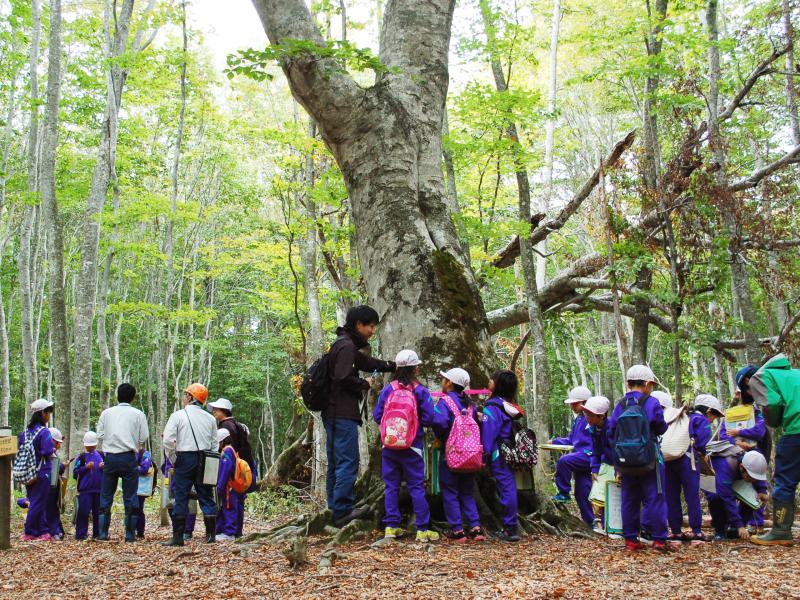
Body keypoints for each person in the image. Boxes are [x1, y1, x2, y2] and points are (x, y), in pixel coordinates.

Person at [323, 305, 396, 527]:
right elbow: (343, 377)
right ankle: (343, 510)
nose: (373, 330)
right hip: (342, 412)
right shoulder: (346, 347)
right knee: (347, 461)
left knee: (337, 462)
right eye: (370, 326)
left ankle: (334, 509)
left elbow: (367, 363)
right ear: (358, 325)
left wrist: (391, 365)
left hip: (334, 412)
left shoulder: (345, 345)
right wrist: (364, 383)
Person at [373, 350, 443, 542]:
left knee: (391, 487)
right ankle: (422, 529)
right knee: (416, 486)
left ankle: (391, 526)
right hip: (413, 446)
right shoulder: (420, 391)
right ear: (416, 368)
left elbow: (377, 416)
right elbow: (429, 418)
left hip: (390, 446)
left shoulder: (388, 390)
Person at [607, 365, 671, 553]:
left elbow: (611, 433)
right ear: (648, 384)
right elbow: (661, 427)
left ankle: (631, 540)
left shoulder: (620, 405)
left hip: (625, 463)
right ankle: (659, 540)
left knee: (629, 499)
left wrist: (617, 462)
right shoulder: (652, 403)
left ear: (628, 383)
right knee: (656, 497)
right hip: (649, 459)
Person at [162, 383, 218, 546]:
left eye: (186, 394)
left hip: (184, 458)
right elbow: (214, 444)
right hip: (205, 458)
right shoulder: (210, 418)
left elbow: (167, 440)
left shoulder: (178, 416)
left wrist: (173, 457)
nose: (183, 397)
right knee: (206, 495)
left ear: (191, 398)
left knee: (181, 496)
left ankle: (178, 537)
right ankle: (210, 536)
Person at [752, 354, 800, 546]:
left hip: (796, 431)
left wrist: (772, 420)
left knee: (785, 481)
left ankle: (781, 531)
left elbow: (772, 403)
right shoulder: (796, 374)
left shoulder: (763, 376)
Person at [435, 367, 484, 542]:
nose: (442, 382)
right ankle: (475, 527)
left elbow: (439, 423)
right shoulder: (471, 405)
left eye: (444, 379)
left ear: (449, 383)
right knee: (467, 492)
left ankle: (457, 530)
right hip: (470, 457)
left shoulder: (444, 402)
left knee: (450, 491)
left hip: (451, 454)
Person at [96, 383, 149, 542]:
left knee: (106, 495)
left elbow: (99, 434)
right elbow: (143, 437)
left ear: (117, 395)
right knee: (130, 495)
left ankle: (103, 533)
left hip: (110, 458)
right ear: (133, 398)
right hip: (128, 458)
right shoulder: (138, 414)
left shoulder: (107, 413)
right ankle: (130, 534)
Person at [663, 394, 714, 546]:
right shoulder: (700, 420)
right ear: (709, 411)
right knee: (692, 495)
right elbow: (704, 444)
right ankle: (696, 531)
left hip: (668, 459)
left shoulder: (681, 416)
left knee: (672, 495)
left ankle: (676, 531)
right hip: (688, 460)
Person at [722, 365, 768, 532]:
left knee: (757, 485)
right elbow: (723, 434)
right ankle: (736, 525)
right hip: (735, 457)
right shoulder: (731, 413)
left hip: (755, 453)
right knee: (734, 489)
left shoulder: (756, 411)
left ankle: (757, 524)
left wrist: (740, 432)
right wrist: (736, 442)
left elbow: (760, 431)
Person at [481, 370, 521, 542]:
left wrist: (484, 455)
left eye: (492, 379)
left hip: (499, 452)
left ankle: (510, 528)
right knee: (508, 485)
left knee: (506, 487)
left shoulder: (492, 406)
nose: (489, 381)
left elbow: (489, 433)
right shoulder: (508, 404)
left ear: (498, 384)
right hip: (509, 449)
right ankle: (510, 525)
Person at [208, 397, 255, 538]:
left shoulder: (226, 427)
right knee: (237, 503)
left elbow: (228, 457)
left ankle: (229, 532)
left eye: (217, 409)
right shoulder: (238, 425)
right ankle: (237, 531)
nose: (214, 412)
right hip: (241, 472)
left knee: (228, 503)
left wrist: (223, 478)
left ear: (224, 411)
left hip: (232, 474)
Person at [550, 385, 595, 526]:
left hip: (588, 456)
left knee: (564, 461)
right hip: (580, 457)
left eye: (574, 404)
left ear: (583, 403)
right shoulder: (578, 419)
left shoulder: (592, 417)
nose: (572, 407)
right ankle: (590, 522)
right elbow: (571, 439)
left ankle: (563, 492)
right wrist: (555, 441)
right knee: (582, 493)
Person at [707, 450, 769, 541]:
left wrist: (762, 490)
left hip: (734, 479)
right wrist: (739, 524)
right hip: (716, 479)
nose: (754, 480)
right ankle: (720, 530)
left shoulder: (751, 460)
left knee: (751, 498)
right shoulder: (725, 466)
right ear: (741, 467)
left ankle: (734, 529)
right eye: (751, 477)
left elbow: (758, 475)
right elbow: (727, 498)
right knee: (715, 497)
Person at [18, 399, 56, 541]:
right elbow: (47, 450)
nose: (49, 415)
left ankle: (42, 531)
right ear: (42, 413)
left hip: (28, 472)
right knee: (37, 502)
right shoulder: (44, 432)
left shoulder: (25, 432)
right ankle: (29, 532)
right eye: (49, 411)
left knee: (34, 500)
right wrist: (53, 448)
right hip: (42, 471)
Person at [73, 431, 104, 541]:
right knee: (83, 512)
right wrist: (86, 467)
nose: (90, 447)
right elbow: (75, 473)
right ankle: (81, 534)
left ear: (96, 445)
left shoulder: (101, 455)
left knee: (98, 513)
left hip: (99, 489)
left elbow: (109, 472)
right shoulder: (81, 457)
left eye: (92, 445)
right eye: (88, 446)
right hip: (85, 490)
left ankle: (98, 534)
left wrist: (103, 467)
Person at [161, 455, 197, 540]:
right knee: (171, 506)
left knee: (190, 506)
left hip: (187, 481)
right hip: (171, 483)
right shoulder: (169, 454)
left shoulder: (186, 452)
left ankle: (187, 531)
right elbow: (164, 467)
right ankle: (177, 530)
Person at [215, 428, 240, 542]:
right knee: (226, 507)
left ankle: (229, 533)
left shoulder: (227, 451)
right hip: (228, 486)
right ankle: (224, 531)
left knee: (229, 508)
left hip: (228, 486)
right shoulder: (230, 450)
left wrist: (220, 486)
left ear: (222, 441)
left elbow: (225, 470)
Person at [45, 427, 67, 541]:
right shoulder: (48, 454)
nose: (60, 444)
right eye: (58, 442)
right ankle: (53, 531)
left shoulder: (52, 453)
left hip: (53, 484)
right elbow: (54, 469)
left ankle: (56, 530)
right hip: (50, 486)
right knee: (51, 508)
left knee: (54, 508)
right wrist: (62, 466)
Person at [134, 446, 154, 539]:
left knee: (138, 509)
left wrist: (132, 467)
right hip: (130, 485)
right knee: (130, 509)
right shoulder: (129, 452)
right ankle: (131, 530)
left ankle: (140, 532)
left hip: (141, 486)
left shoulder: (145, 453)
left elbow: (144, 469)